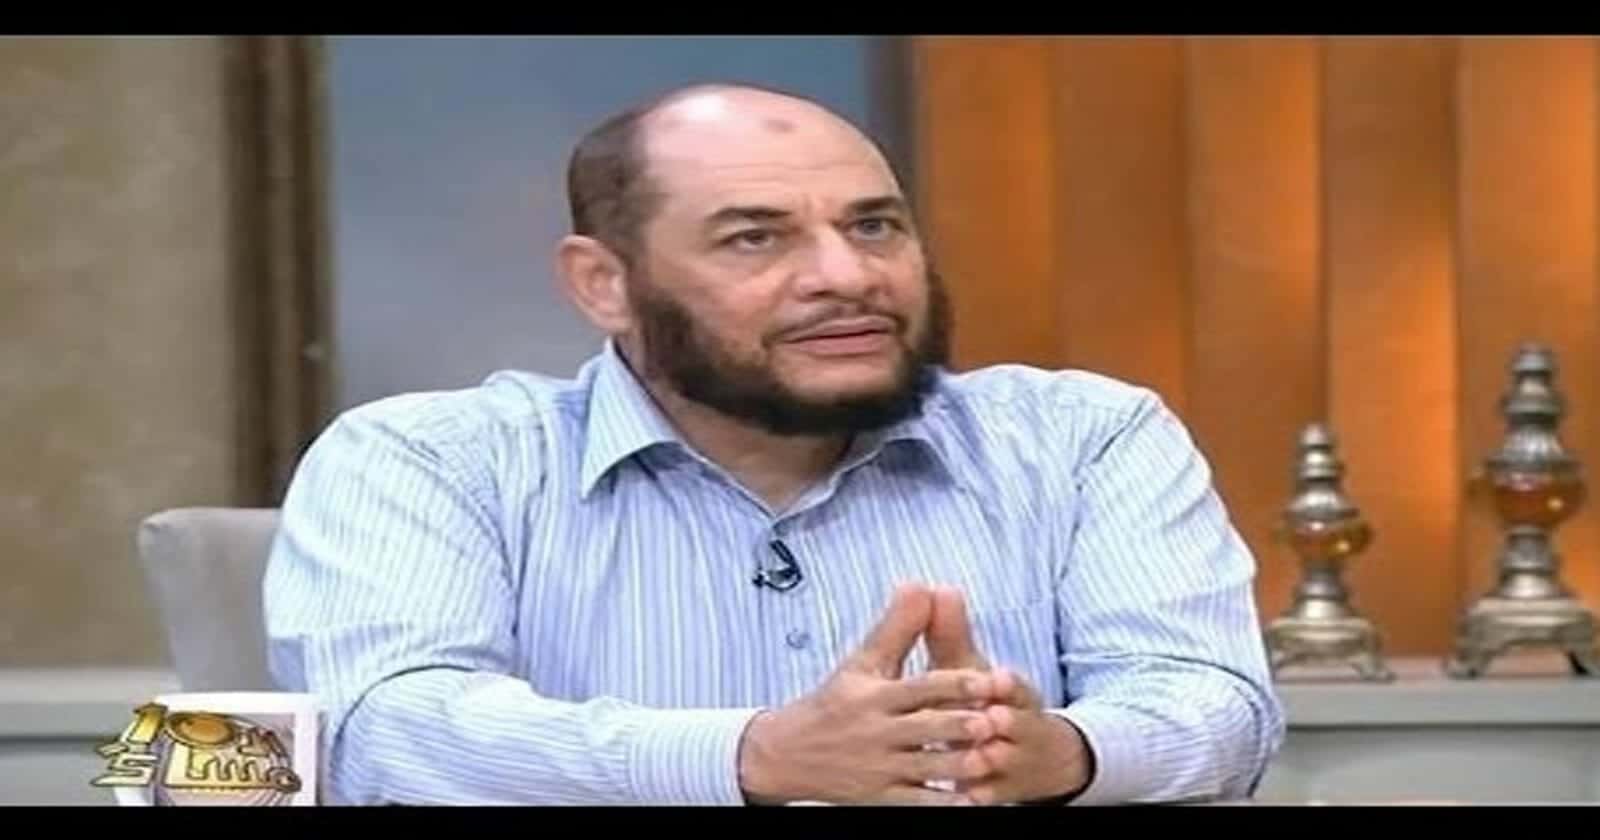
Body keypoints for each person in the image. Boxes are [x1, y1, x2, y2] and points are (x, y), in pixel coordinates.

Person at [262, 81, 1285, 807]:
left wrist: (1058, 751)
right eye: (756, 236)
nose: (847, 275)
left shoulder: (1082, 440)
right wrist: (753, 756)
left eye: (875, 226)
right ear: (604, 285)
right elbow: (383, 732)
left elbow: (1216, 705)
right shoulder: (431, 461)